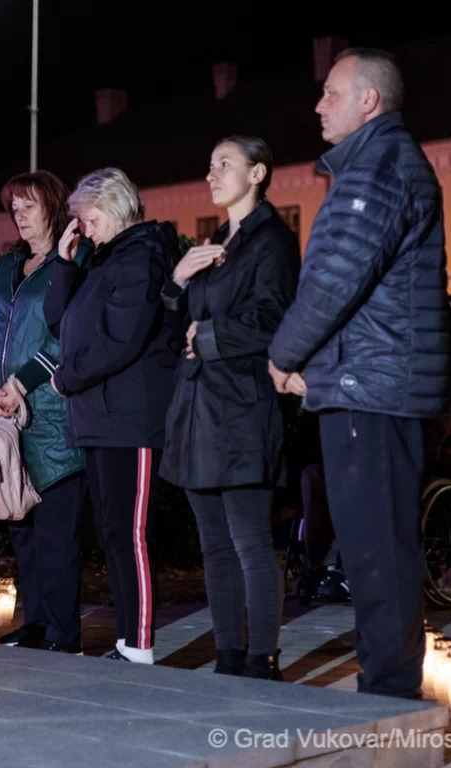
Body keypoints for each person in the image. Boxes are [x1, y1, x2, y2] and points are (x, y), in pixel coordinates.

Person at [267, 48, 449, 699]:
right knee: (373, 548)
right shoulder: (379, 164)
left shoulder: (378, 169)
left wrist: (283, 355)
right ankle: (385, 687)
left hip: (371, 390)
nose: (318, 105)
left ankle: (391, 697)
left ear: (368, 100)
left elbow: (334, 280)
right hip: (367, 383)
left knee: (377, 552)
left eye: (331, 93)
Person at [160, 137, 299, 678]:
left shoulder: (272, 241)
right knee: (214, 546)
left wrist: (208, 336)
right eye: (210, 164)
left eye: (225, 164)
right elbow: (178, 327)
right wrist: (177, 281)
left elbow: (274, 318)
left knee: (250, 541)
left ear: (258, 173)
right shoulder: (215, 242)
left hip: (242, 407)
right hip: (199, 408)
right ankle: (228, 656)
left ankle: (262, 658)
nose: (211, 174)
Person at [44, 168, 180, 664]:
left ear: (114, 207)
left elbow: (120, 339)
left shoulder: (142, 255)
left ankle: (139, 642)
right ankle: (128, 641)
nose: (84, 230)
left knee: (129, 532)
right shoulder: (104, 259)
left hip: (130, 416)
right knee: (113, 531)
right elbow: (60, 322)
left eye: (88, 219)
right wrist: (64, 263)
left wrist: (66, 378)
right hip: (101, 415)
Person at [0, 171, 91, 653]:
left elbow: (69, 336)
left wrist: (20, 383)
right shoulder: (6, 265)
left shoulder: (76, 257)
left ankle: (64, 633)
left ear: (53, 206)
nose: (19, 216)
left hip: (53, 417)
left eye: (29, 206)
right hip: (4, 418)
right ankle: (36, 622)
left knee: (57, 534)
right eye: (14, 208)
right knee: (20, 527)